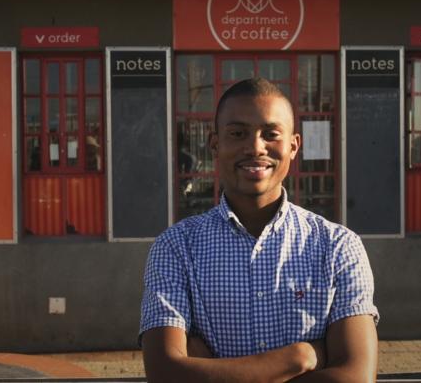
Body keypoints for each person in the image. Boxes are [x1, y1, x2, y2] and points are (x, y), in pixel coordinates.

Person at [139, 78, 379, 382]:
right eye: (237, 133)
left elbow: (355, 377)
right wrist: (298, 358)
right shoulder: (176, 247)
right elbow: (165, 373)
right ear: (215, 144)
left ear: (293, 146)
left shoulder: (338, 247)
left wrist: (208, 369)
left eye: (271, 134)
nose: (254, 147)